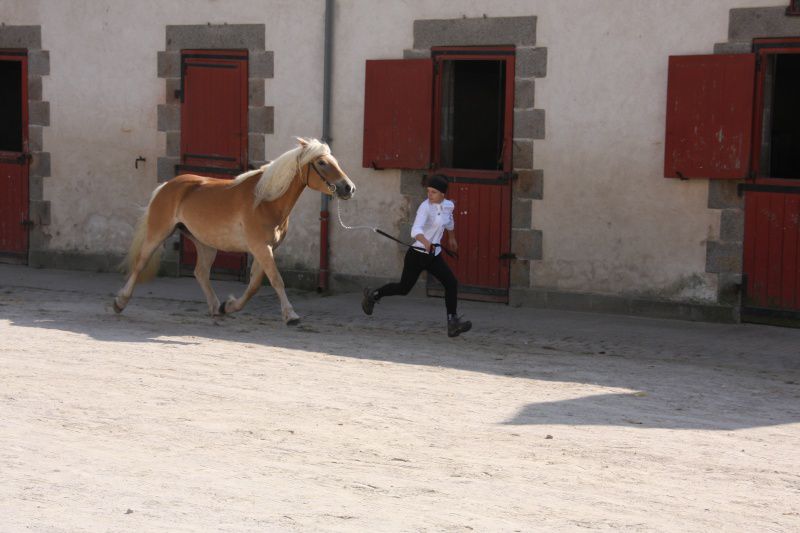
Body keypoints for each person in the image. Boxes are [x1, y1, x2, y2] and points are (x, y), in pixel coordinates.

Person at [361, 174, 472, 338]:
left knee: (451, 283)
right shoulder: (425, 207)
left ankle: (452, 322)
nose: (430, 195)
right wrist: (426, 242)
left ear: (442, 194)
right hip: (417, 255)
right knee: (403, 289)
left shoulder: (448, 206)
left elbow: (449, 222)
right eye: (428, 191)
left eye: (434, 192)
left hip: (433, 256)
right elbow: (415, 230)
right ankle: (374, 295)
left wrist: (452, 238)